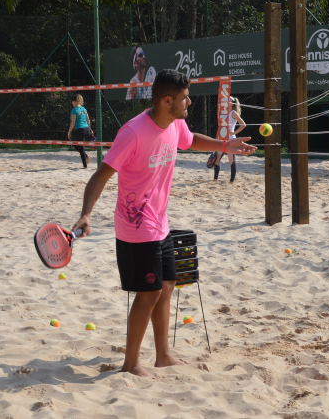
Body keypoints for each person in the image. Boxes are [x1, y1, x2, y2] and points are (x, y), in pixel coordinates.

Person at [71, 69, 256, 378]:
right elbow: (100, 176)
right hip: (135, 227)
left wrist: (224, 146)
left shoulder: (174, 124)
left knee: (168, 284)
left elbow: (189, 139)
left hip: (160, 223)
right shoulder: (132, 133)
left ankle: (163, 354)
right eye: (185, 98)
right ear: (167, 100)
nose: (190, 102)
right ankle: (130, 364)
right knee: (149, 292)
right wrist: (86, 213)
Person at [211, 96, 246, 183]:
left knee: (231, 161)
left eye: (227, 100)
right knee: (216, 160)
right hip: (221, 139)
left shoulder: (233, 113)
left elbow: (243, 124)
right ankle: (215, 179)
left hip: (230, 140)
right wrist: (216, 138)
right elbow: (220, 127)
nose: (224, 102)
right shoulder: (223, 113)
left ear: (231, 103)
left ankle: (231, 181)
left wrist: (234, 133)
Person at [67, 94, 94, 168]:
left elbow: (73, 122)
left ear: (74, 101)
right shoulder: (84, 109)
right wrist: (90, 129)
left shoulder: (74, 110)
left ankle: (85, 166)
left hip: (80, 129)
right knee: (76, 146)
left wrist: (69, 131)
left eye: (72, 102)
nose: (72, 103)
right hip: (86, 129)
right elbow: (88, 120)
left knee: (81, 148)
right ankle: (86, 157)